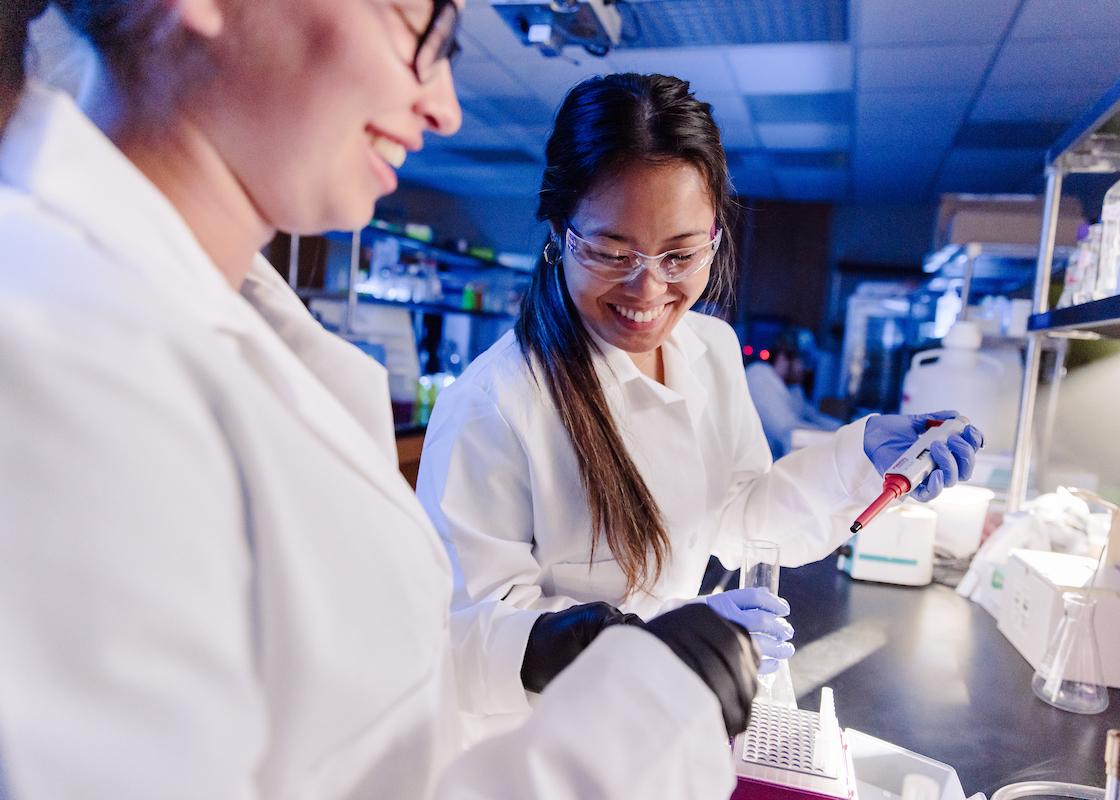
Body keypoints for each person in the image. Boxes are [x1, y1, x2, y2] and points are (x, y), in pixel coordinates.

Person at [0, 3, 762, 798]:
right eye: (420, 26)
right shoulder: (53, 363)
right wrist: (632, 722)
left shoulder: (231, 327)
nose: (444, 103)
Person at [416, 72, 984, 735]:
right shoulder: (495, 406)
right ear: (558, 234)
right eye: (610, 251)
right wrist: (650, 643)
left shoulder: (710, 348)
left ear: (715, 236)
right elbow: (463, 643)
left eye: (681, 254)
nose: (648, 288)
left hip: (664, 726)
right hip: (542, 752)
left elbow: (740, 516)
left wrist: (858, 458)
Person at [744, 332, 840, 460]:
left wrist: (844, 428)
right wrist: (838, 437)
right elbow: (787, 430)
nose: (805, 370)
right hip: (757, 464)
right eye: (802, 362)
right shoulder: (759, 377)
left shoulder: (793, 388)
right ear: (783, 358)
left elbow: (812, 415)